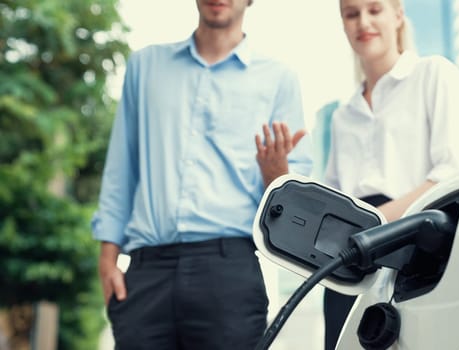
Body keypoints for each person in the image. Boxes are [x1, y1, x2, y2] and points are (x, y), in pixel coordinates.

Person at [91, 0, 312, 349]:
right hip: (147, 272)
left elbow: (295, 203)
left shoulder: (278, 79)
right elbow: (121, 167)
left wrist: (277, 175)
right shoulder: (145, 67)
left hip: (229, 274)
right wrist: (107, 260)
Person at [322, 0, 459, 348]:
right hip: (348, 263)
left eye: (374, 9)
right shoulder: (342, 115)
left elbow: (454, 172)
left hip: (410, 251)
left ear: (397, 14)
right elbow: (334, 199)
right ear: (343, 24)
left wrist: (373, 223)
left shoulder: (434, 74)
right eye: (351, 14)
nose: (363, 21)